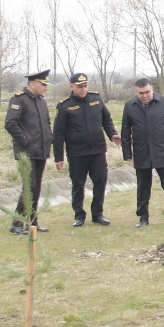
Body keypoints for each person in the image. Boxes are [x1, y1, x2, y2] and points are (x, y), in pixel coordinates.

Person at [52, 72, 120, 227]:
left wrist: (113, 134)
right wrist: (59, 157)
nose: (83, 89)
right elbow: (58, 133)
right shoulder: (65, 106)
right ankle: (79, 215)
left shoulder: (96, 99)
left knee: (101, 180)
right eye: (79, 87)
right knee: (78, 184)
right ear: (72, 87)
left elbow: (106, 120)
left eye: (85, 86)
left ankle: (98, 214)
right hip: (77, 152)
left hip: (97, 150)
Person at [122, 78, 164, 227]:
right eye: (141, 93)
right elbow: (125, 132)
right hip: (141, 152)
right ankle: (143, 217)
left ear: (152, 89)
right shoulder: (130, 106)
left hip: (162, 151)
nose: (144, 96)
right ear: (137, 92)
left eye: (147, 92)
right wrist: (127, 154)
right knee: (143, 188)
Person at [5, 69, 53, 234]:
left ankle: (32, 223)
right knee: (29, 187)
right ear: (33, 84)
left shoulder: (41, 101)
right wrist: (25, 140)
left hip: (41, 150)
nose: (45, 87)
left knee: (36, 187)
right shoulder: (19, 100)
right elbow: (11, 123)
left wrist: (49, 139)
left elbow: (46, 123)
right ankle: (17, 224)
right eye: (43, 84)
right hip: (27, 152)